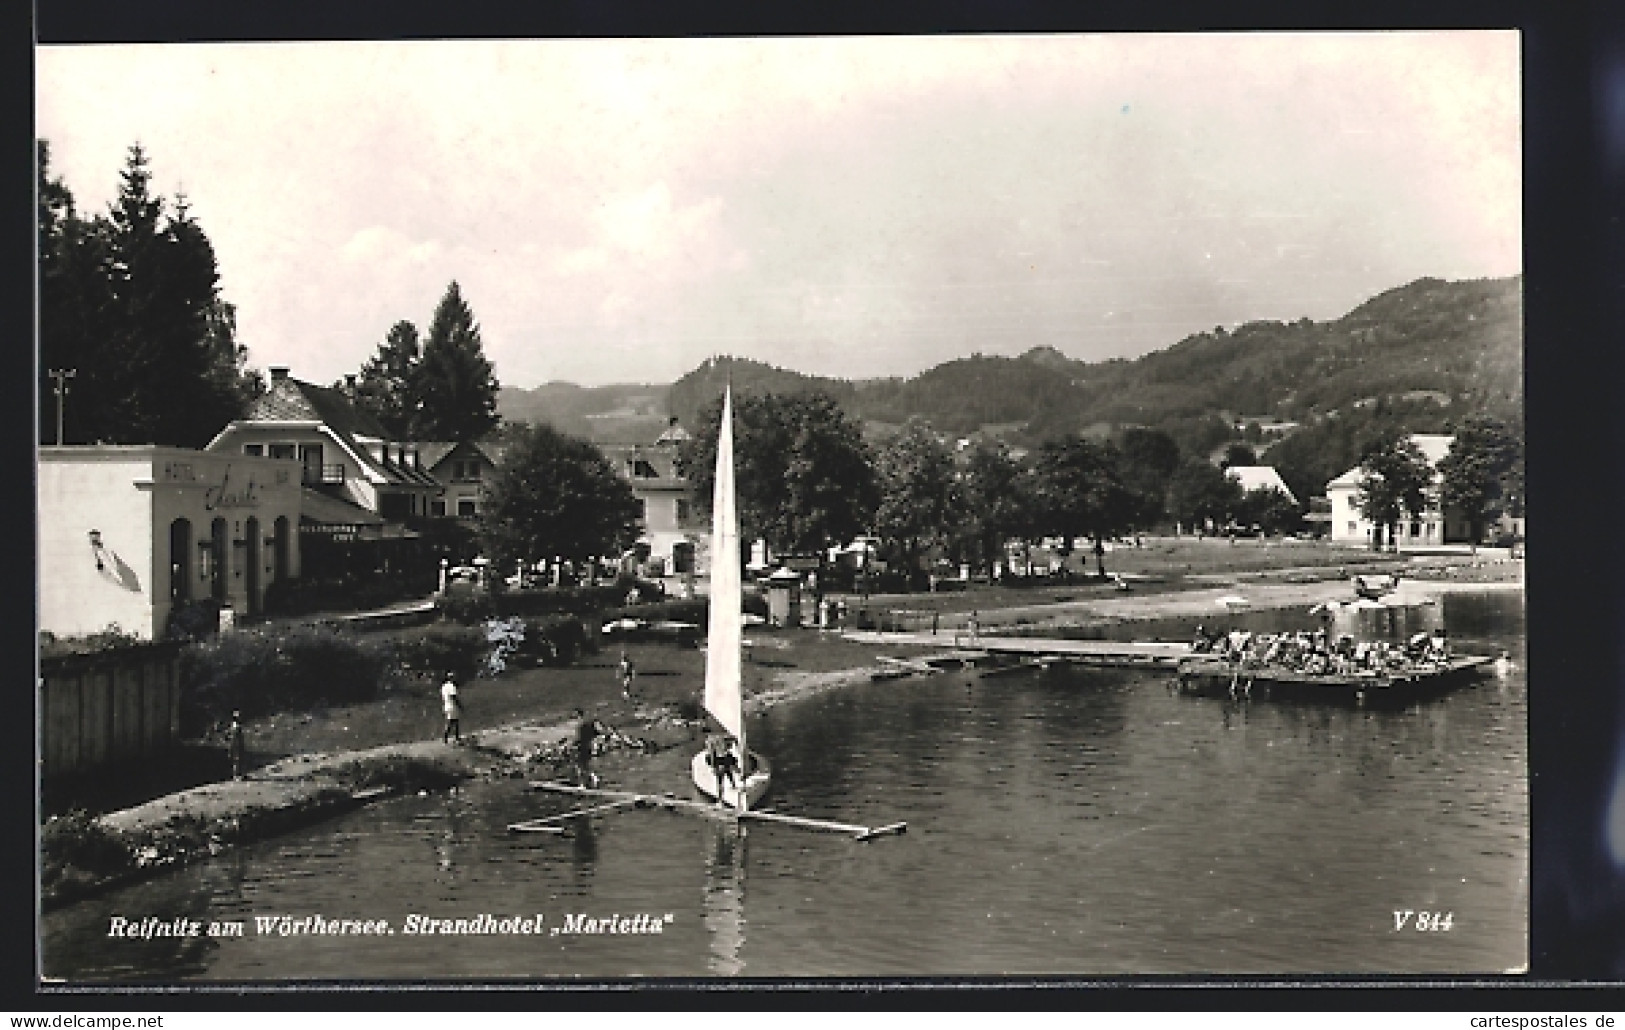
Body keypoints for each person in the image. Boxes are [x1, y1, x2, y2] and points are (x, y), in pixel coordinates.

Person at [705, 732, 741, 805]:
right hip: (725, 759)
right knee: (728, 771)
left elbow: (712, 754)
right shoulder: (722, 737)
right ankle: (733, 785)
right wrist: (737, 745)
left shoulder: (710, 741)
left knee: (720, 779)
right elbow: (733, 738)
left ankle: (720, 799)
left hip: (719, 760)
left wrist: (713, 766)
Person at [575, 709, 605, 787]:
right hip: (589, 747)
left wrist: (576, 743)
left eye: (575, 716)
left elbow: (581, 738)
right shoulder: (588, 724)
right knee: (586, 766)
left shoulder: (583, 725)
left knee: (580, 766)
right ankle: (594, 780)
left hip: (585, 747)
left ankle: (582, 785)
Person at [440, 674, 463, 744]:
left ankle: (456, 737)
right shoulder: (452, 686)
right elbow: (454, 697)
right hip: (452, 706)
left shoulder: (444, 686)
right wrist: (460, 705)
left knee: (455, 722)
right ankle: (445, 738)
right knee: (450, 722)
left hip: (446, 705)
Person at [228, 710, 245, 780]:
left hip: (235, 743)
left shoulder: (233, 725)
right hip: (236, 743)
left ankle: (238, 774)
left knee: (238, 759)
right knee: (237, 759)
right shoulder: (236, 726)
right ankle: (236, 775)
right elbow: (236, 736)